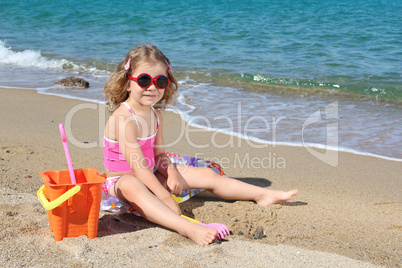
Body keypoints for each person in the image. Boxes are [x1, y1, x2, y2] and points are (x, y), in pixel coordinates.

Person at [102, 42, 298, 245]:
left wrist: (171, 173)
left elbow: (159, 156)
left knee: (206, 175)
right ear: (127, 83)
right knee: (133, 184)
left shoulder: (155, 115)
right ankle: (185, 227)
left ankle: (262, 194)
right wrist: (165, 196)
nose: (152, 87)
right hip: (121, 185)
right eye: (143, 80)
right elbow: (138, 167)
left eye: (160, 81)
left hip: (150, 174)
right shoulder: (124, 118)